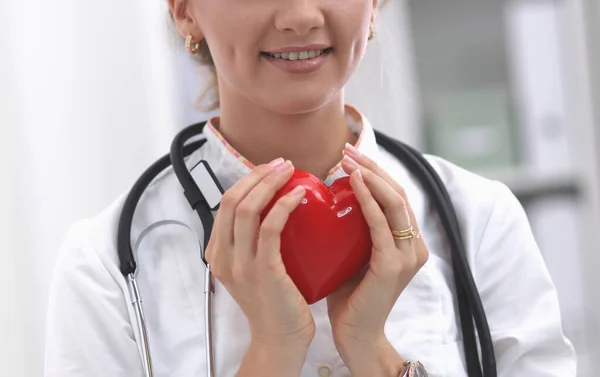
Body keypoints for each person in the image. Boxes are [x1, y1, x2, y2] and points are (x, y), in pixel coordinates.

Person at [44, 0, 576, 376]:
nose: (300, 15)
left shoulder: (478, 220)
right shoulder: (106, 269)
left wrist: (374, 353)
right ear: (184, 8)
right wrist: (274, 349)